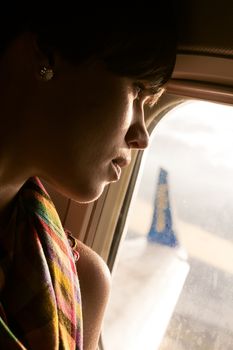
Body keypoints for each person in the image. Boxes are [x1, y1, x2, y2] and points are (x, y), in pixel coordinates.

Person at [0, 2, 177, 349]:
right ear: (46, 56)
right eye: (138, 90)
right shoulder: (76, 287)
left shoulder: (84, 282)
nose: (142, 137)